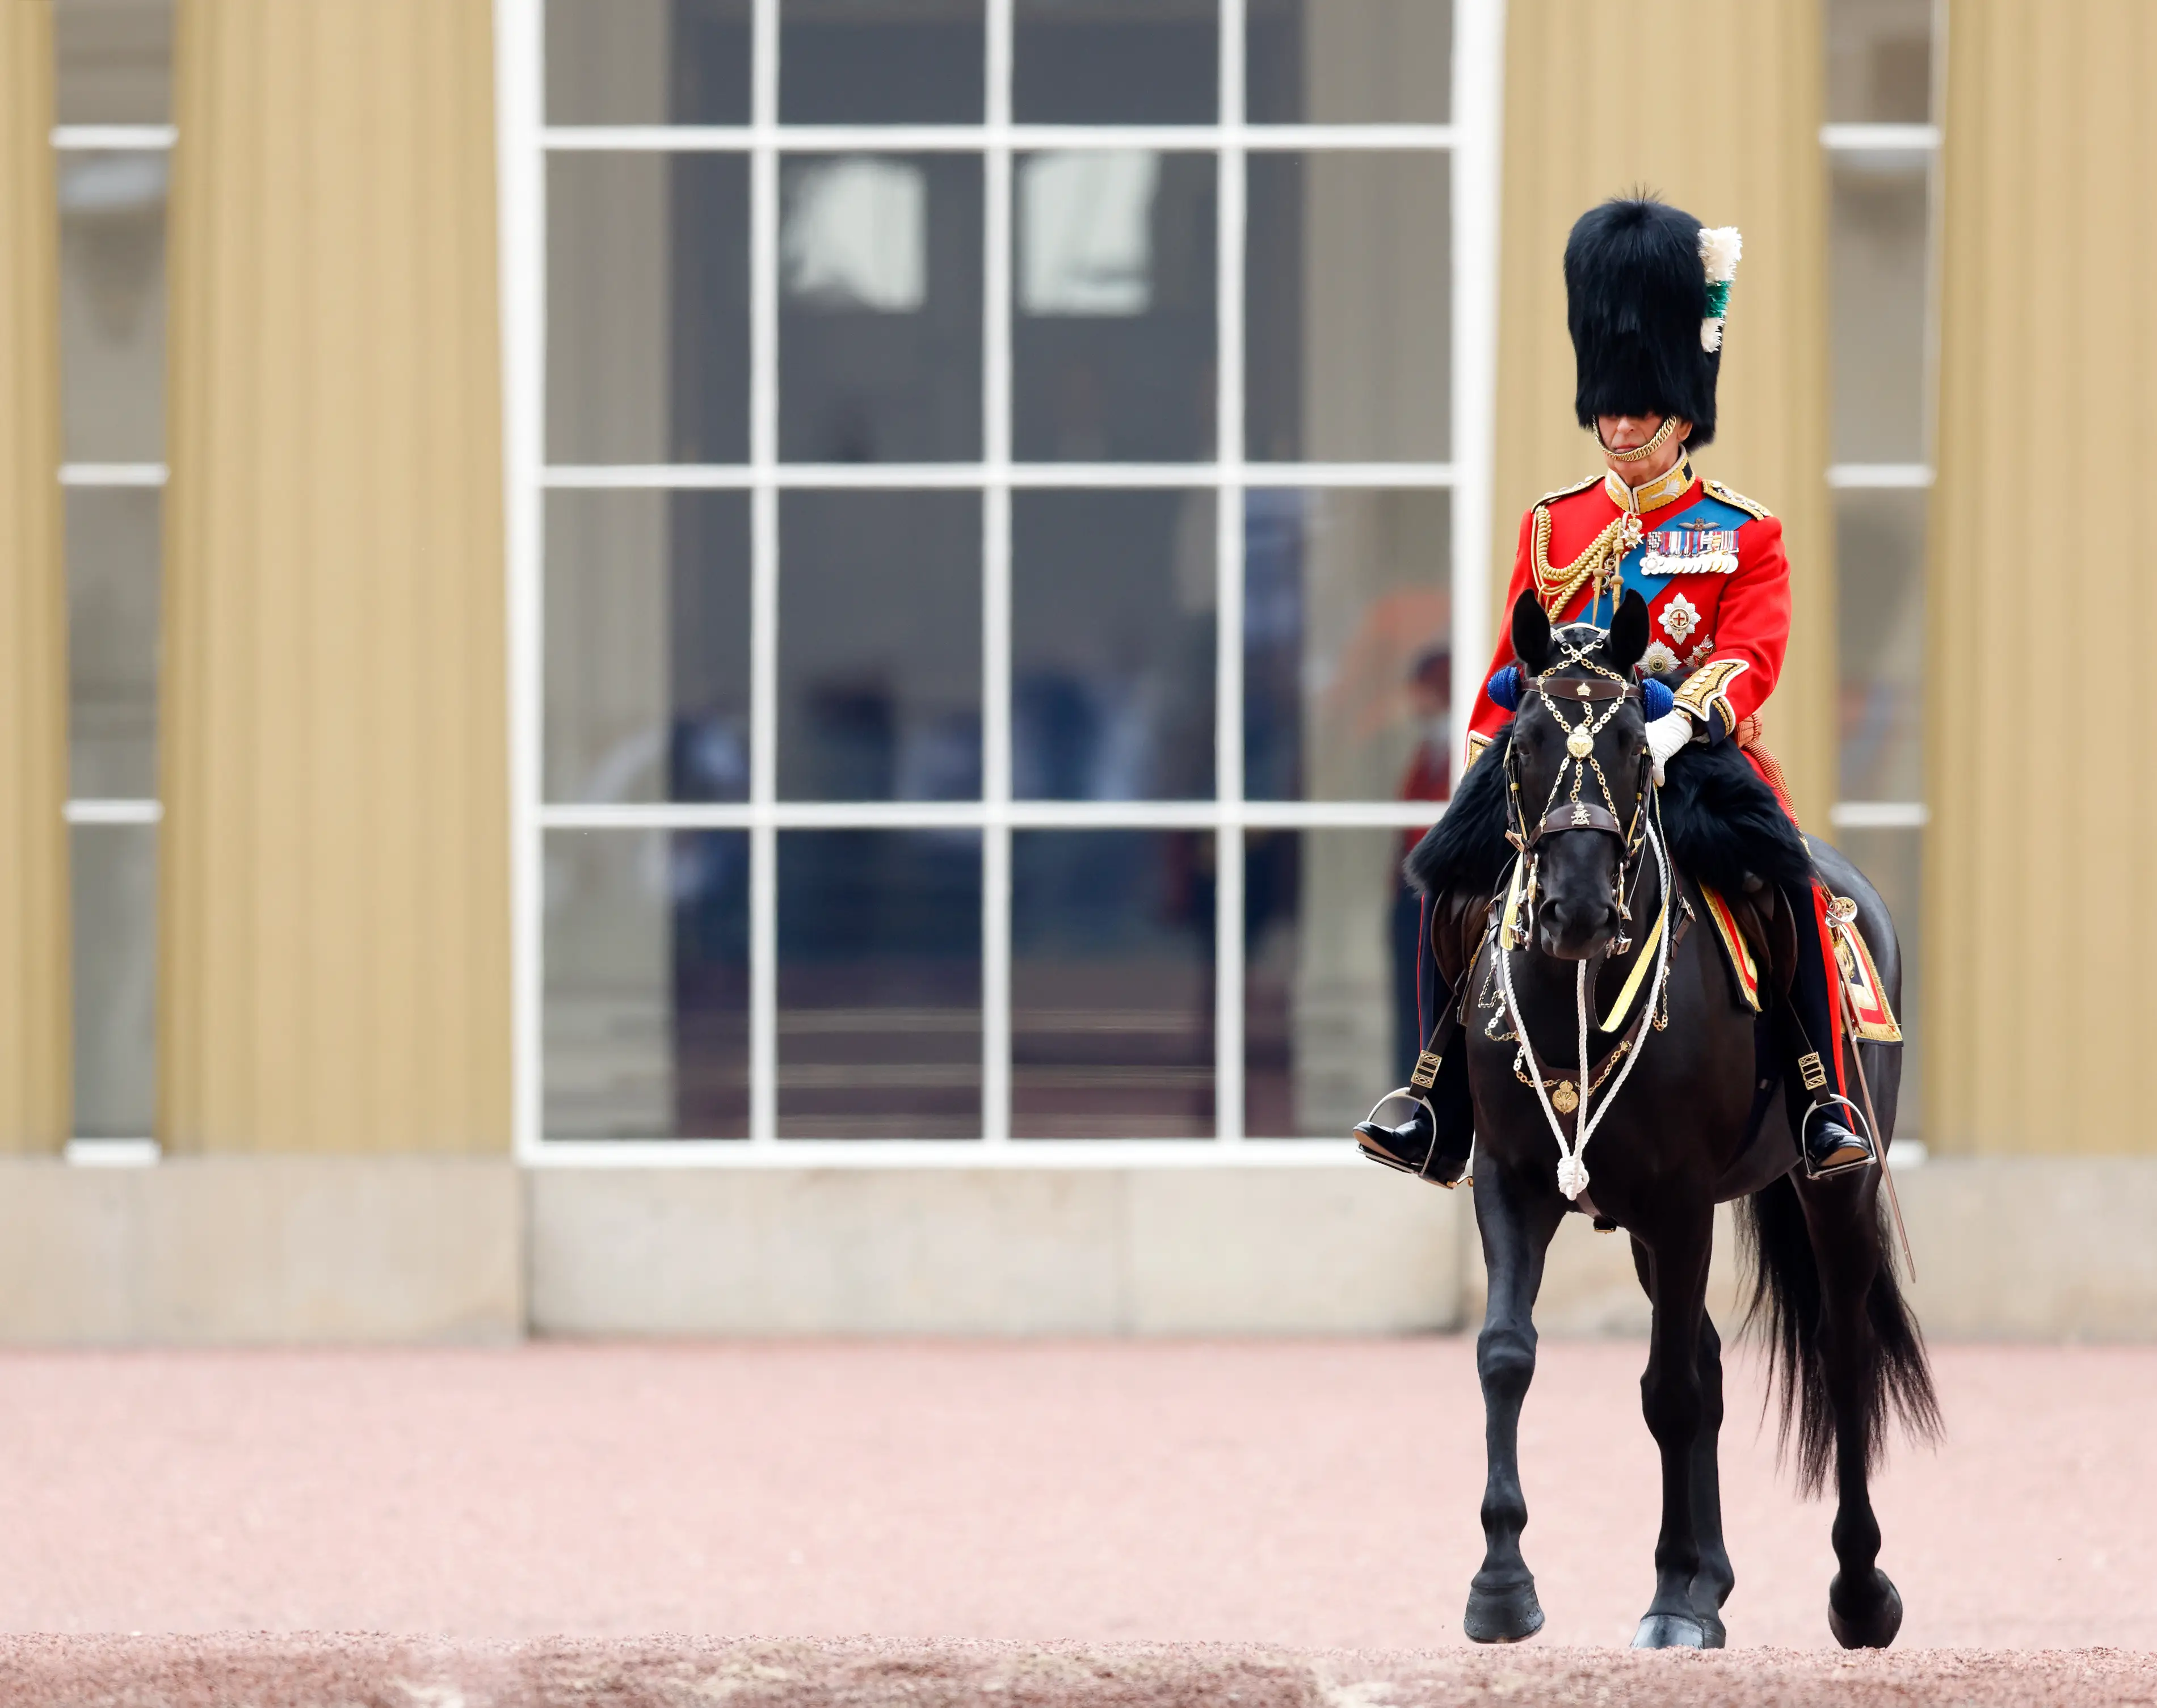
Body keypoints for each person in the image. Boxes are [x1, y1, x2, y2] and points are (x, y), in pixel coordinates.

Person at [1355, 195, 1875, 1187]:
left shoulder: (1741, 531)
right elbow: (1512, 655)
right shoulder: (1553, 523)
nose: (1623, 422)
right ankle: (1432, 1098)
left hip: (1688, 758)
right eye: (1611, 405)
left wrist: (1685, 721)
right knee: (1448, 881)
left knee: (1789, 884)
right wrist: (1487, 757)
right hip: (1559, 760)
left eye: (1640, 407)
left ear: (1682, 411)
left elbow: (1752, 653)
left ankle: (1819, 1098)